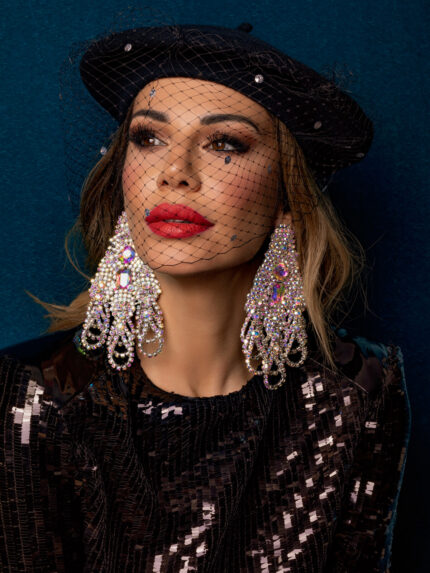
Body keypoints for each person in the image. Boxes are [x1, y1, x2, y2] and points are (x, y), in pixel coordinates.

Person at [0, 23, 410, 572]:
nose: (175, 173)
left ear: (286, 196)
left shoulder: (357, 388)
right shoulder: (41, 391)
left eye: (225, 144)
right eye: (148, 138)